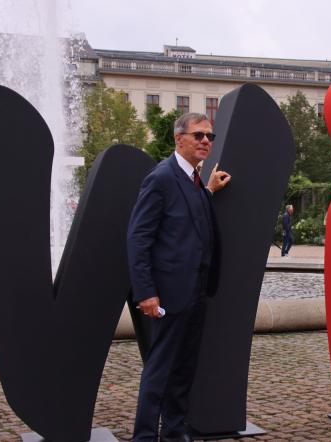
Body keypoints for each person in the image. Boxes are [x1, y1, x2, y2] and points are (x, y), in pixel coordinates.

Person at [127, 112, 231, 441]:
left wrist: (209, 191)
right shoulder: (161, 177)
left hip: (196, 292)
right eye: (198, 135)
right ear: (179, 139)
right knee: (159, 371)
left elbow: (189, 217)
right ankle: (144, 436)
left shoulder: (195, 180)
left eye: (209, 137)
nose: (205, 141)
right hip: (169, 295)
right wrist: (146, 293)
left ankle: (174, 432)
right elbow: (137, 238)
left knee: (184, 370)